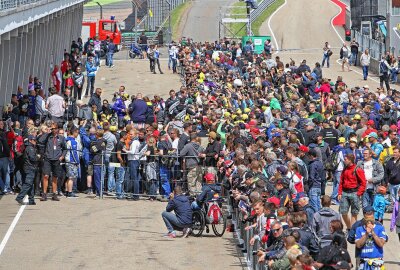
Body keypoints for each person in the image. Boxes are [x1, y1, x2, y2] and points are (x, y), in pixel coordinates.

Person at [338, 153, 366, 230]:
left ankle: (352, 230)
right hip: (345, 192)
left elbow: (363, 183)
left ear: (350, 160)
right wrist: (339, 192)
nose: (344, 160)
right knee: (343, 212)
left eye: (346, 159)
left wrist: (359, 193)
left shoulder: (357, 169)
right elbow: (341, 181)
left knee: (354, 213)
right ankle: (349, 227)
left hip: (354, 193)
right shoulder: (345, 169)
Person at [40, 122, 66, 201]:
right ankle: (44, 194)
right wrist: (47, 133)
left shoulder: (61, 138)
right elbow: (40, 140)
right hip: (48, 159)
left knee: (55, 177)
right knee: (46, 176)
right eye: (52, 128)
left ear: (57, 129)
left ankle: (54, 194)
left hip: (56, 160)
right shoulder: (48, 136)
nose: (53, 130)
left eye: (55, 128)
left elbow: (65, 148)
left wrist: (62, 156)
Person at [64, 126, 81, 198]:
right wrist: (77, 161)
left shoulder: (66, 140)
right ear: (74, 132)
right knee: (71, 177)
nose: (77, 134)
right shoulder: (73, 142)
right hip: (72, 161)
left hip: (68, 161)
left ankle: (67, 191)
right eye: (77, 133)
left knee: (68, 177)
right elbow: (74, 153)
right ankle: (70, 192)